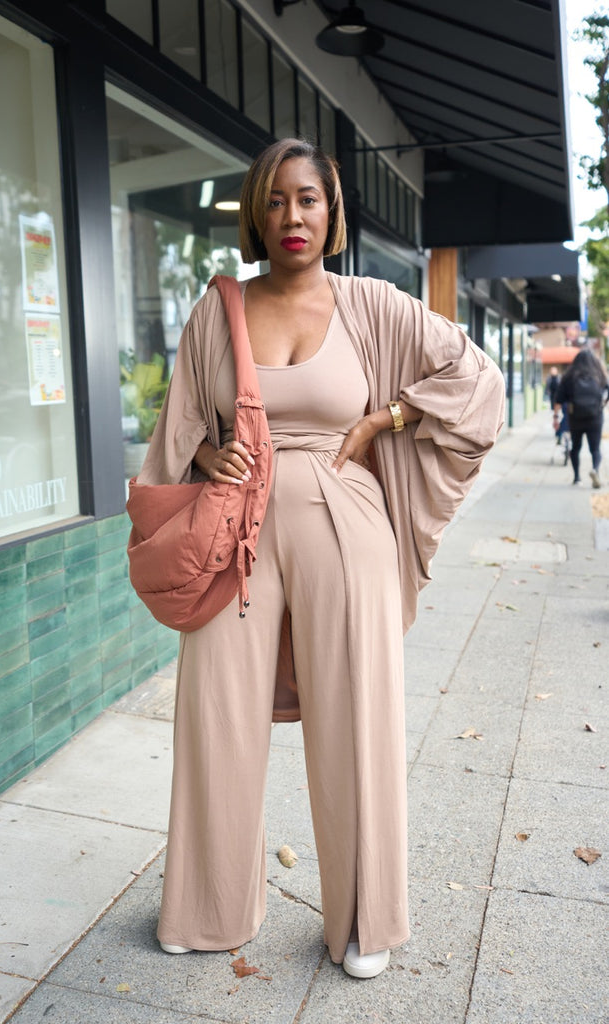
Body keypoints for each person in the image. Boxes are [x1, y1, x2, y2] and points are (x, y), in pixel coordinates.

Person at [136, 138, 505, 979]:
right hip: (236, 535)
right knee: (215, 713)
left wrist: (385, 420)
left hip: (347, 525)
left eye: (307, 198)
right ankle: (207, 905)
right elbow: (180, 426)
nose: (291, 215)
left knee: (356, 720)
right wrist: (210, 458)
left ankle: (365, 920)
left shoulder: (369, 301)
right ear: (255, 215)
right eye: (274, 200)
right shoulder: (220, 307)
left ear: (332, 213)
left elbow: (473, 376)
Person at [553, 348, 608, 488]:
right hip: (595, 417)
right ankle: (595, 469)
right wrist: (603, 404)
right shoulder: (600, 374)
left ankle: (577, 478)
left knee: (575, 447)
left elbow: (558, 400)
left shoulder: (569, 376)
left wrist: (556, 417)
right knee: (595, 449)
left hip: (575, 417)